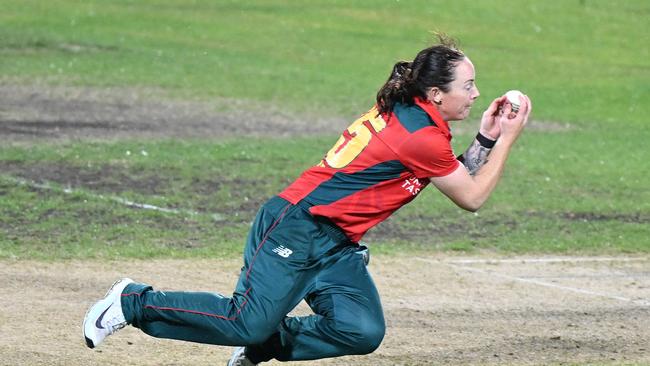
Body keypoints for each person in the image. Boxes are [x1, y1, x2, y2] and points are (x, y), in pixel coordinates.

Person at [83, 35, 531, 365]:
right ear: (437, 94)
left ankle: (265, 344)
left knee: (361, 329)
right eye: (468, 86)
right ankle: (131, 301)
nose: (475, 94)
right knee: (245, 319)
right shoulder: (419, 135)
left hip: (335, 243)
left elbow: (456, 174)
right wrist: (509, 138)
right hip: (297, 227)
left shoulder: (418, 120)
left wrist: (488, 135)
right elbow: (471, 197)